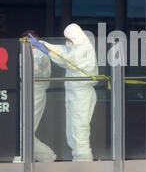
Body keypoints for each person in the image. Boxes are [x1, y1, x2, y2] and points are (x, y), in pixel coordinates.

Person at [28, 23, 98, 162]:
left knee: (79, 128)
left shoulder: (84, 49)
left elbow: (67, 58)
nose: (67, 42)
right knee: (73, 130)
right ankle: (79, 160)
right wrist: (45, 46)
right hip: (75, 93)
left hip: (81, 93)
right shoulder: (76, 49)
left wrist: (45, 47)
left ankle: (83, 162)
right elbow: (65, 52)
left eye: (69, 39)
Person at [21, 30, 57, 162]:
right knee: (23, 130)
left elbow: (37, 68)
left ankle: (21, 158)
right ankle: (47, 156)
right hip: (24, 92)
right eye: (25, 41)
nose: (27, 44)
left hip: (36, 93)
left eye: (30, 41)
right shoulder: (23, 55)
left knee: (26, 129)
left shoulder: (41, 54)